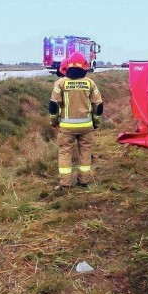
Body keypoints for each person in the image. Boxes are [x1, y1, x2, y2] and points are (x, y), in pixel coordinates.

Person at [49, 50, 103, 190]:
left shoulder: (60, 83)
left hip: (66, 128)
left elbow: (53, 106)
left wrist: (53, 122)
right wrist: (96, 123)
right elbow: (99, 105)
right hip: (87, 127)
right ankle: (84, 181)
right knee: (85, 152)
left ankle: (65, 184)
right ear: (84, 66)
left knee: (65, 153)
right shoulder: (90, 83)